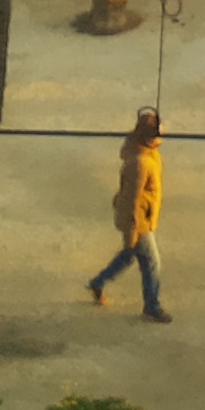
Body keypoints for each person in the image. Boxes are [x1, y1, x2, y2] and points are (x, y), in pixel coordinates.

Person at [83, 107, 171, 323]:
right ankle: (152, 306)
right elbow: (133, 199)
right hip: (138, 221)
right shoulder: (141, 162)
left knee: (129, 256)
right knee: (152, 263)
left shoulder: (145, 154)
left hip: (140, 217)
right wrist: (133, 230)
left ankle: (98, 282)